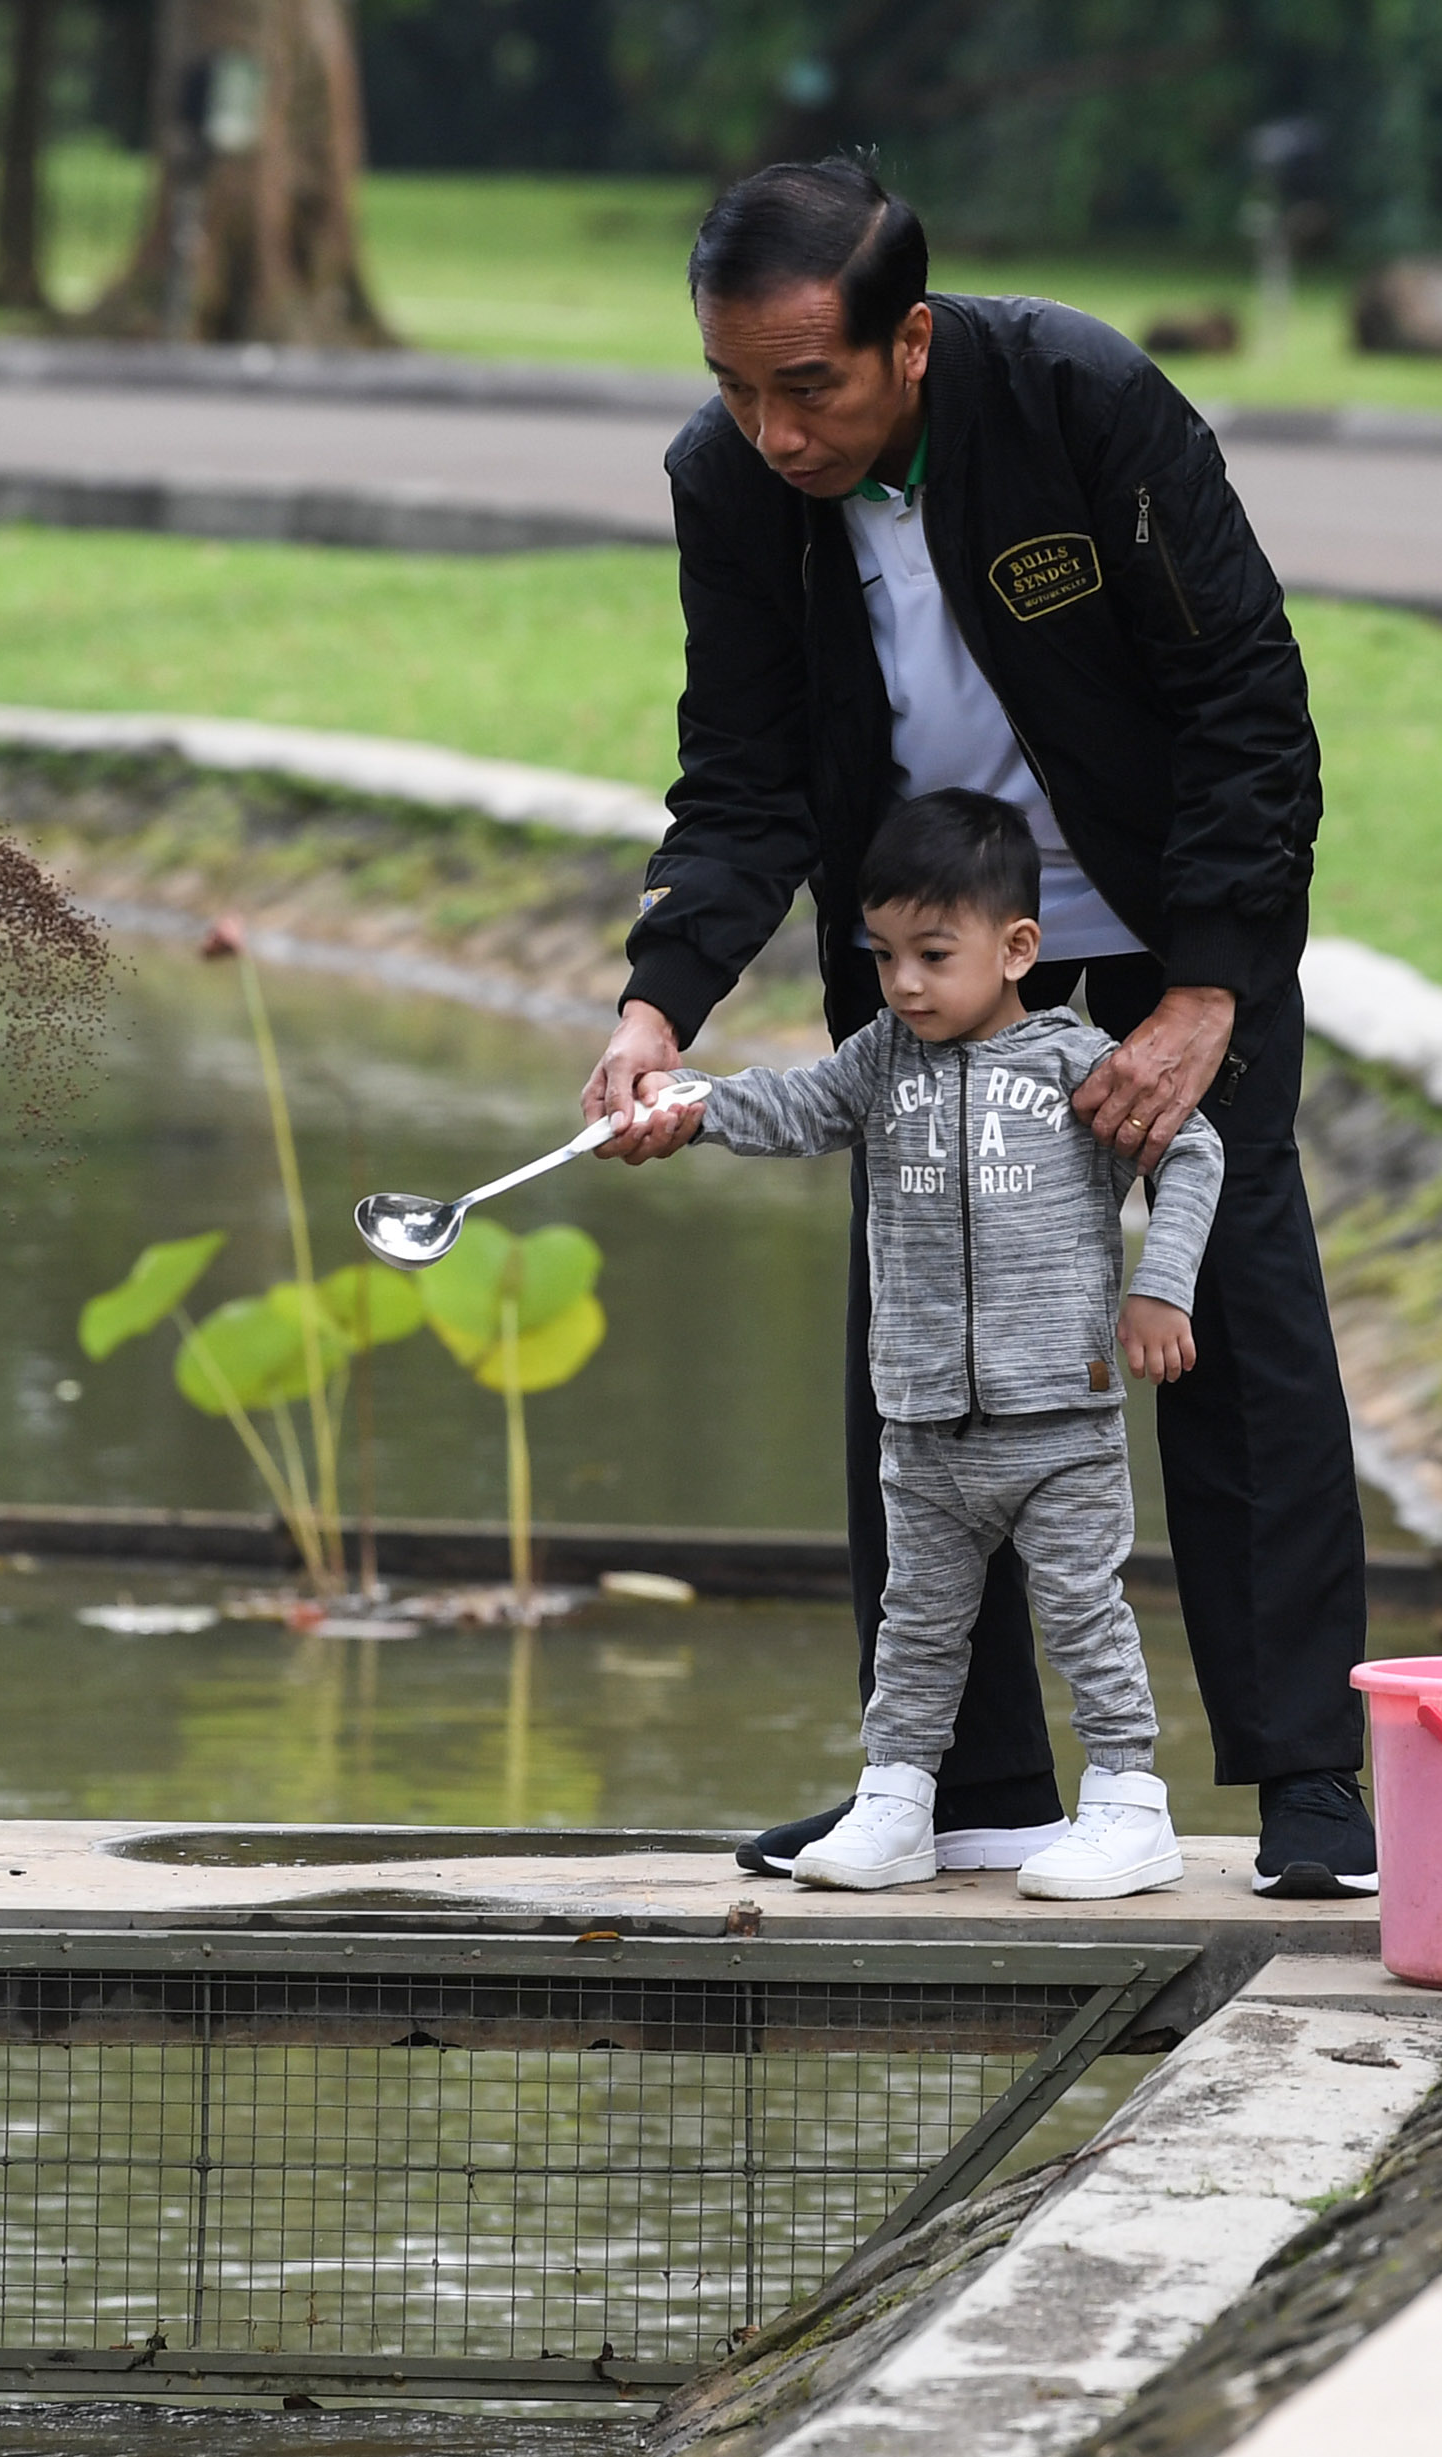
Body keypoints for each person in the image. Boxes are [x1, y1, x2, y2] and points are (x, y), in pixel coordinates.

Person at [582, 155, 1380, 1899]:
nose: (775, 427)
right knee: (931, 1347)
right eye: (735, 385)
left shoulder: (1079, 400)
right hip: (940, 971)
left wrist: (1205, 986)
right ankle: (971, 1781)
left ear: (913, 341)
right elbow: (742, 776)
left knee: (1229, 1313)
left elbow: (1247, 695)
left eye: (813, 386)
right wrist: (659, 1005)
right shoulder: (730, 483)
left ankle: (1313, 1779)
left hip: (1171, 942)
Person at [620, 791, 1217, 1899]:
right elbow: (790, 1107)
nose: (903, 982)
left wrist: (1159, 1288)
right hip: (926, 1424)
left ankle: (1130, 1804)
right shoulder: (877, 1061)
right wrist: (690, 1106)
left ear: (1017, 948)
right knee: (916, 1627)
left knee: (1086, 1615)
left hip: (1062, 1422)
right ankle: (896, 1799)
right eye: (883, 953)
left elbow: (1191, 1156)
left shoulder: (1077, 1066)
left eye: (932, 955)